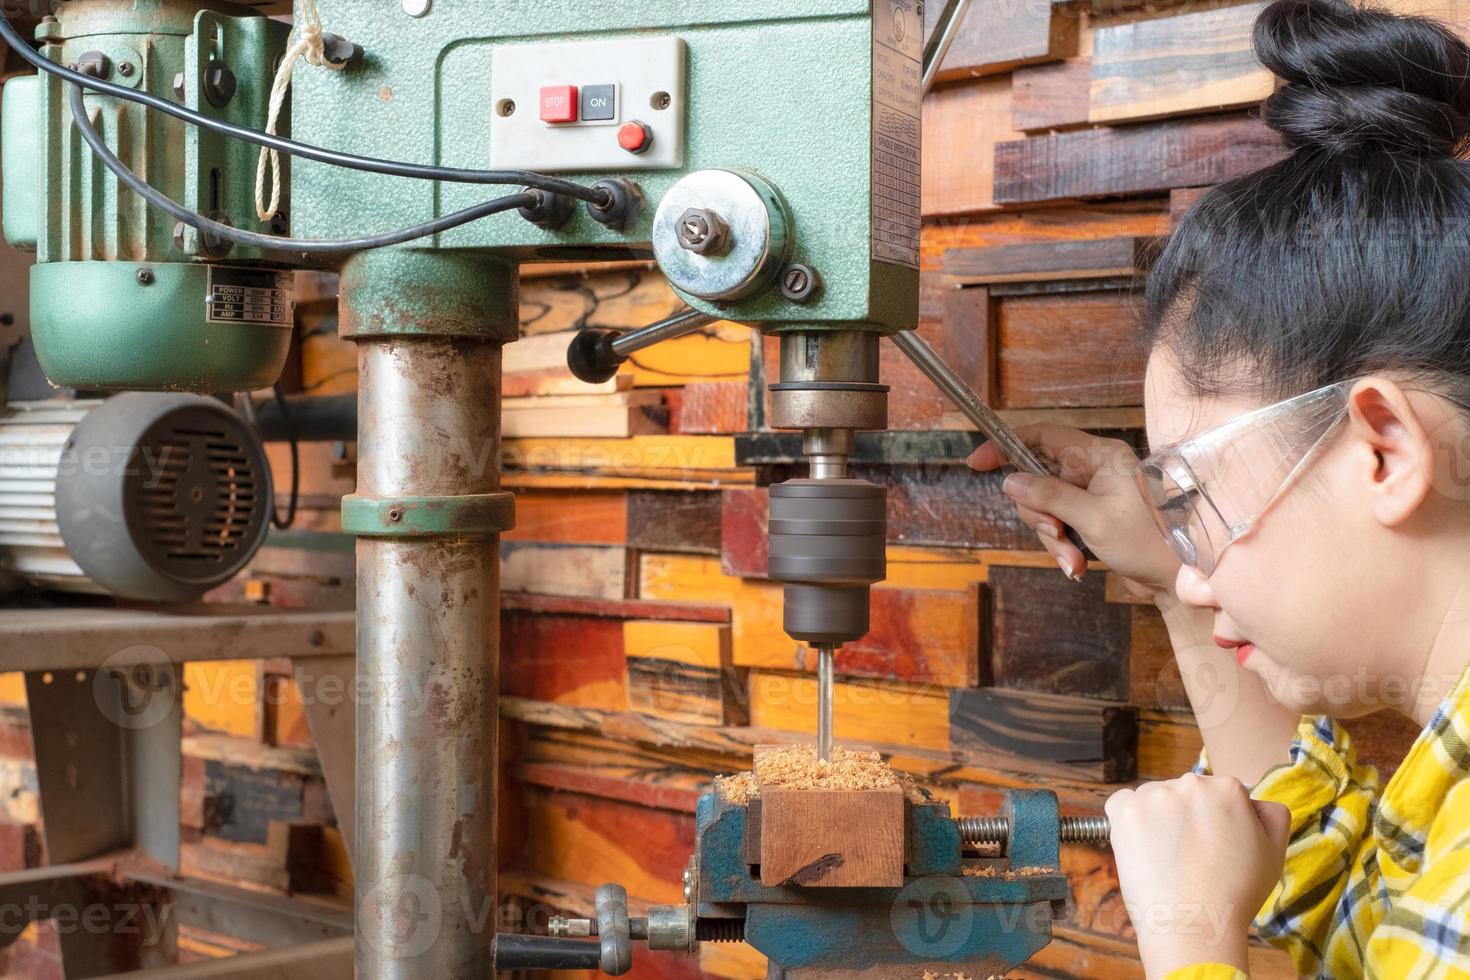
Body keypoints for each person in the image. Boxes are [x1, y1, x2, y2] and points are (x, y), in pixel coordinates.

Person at [966, 0, 1470, 976]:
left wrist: (1193, 942)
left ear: (1382, 452)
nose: (1196, 575)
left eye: (1197, 496)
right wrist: (1170, 568)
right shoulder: (1436, 798)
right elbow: (1286, 853)